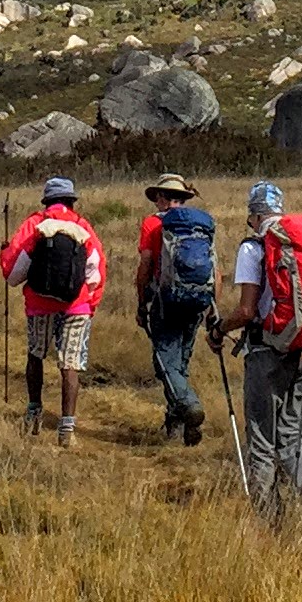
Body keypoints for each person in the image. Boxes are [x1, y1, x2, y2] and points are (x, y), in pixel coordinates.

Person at [218, 181, 302, 544]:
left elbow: (246, 310)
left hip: (265, 350)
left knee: (260, 438)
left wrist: (217, 329)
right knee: (296, 438)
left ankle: (269, 527)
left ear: (255, 215)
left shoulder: (253, 247)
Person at [0, 175, 105, 446]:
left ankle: (34, 412)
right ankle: (66, 428)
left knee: (36, 355)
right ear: (71, 200)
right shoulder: (83, 226)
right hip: (76, 305)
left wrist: (3, 253)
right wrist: (89, 304)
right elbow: (96, 272)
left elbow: (13, 275)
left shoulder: (34, 225)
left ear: (47, 201)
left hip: (39, 303)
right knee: (71, 364)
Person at [133, 172, 217, 445]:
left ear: (160, 197)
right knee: (180, 362)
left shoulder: (152, 224)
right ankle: (176, 426)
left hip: (164, 300)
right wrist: (213, 305)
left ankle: (188, 405)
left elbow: (145, 265)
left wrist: (141, 302)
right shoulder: (200, 226)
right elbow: (216, 269)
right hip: (197, 301)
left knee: (164, 362)